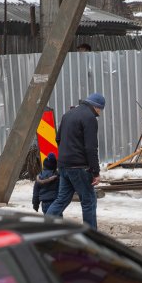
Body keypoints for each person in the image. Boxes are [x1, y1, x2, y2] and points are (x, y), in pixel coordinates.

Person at [45, 93, 105, 229]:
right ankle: (91, 236)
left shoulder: (68, 115)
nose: (99, 113)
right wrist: (95, 171)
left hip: (64, 165)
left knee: (62, 200)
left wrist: (66, 157)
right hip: (80, 167)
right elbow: (91, 147)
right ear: (97, 107)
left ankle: (44, 225)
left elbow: (58, 139)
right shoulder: (89, 118)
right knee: (89, 201)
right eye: (100, 110)